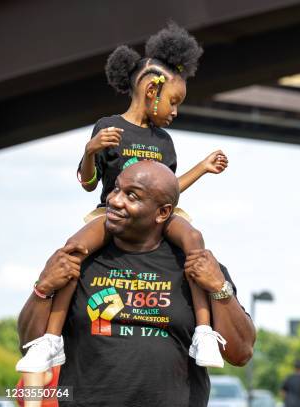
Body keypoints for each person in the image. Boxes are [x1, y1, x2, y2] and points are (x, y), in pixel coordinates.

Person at [16, 22, 228, 379]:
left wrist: (202, 168)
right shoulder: (108, 127)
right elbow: (88, 183)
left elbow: (168, 191)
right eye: (173, 101)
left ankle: (205, 332)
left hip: (156, 216)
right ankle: (50, 339)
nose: (175, 111)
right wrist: (90, 151)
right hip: (111, 213)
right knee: (73, 251)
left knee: (194, 240)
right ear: (151, 89)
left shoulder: (164, 142)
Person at [17, 161, 256, 406]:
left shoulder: (196, 265)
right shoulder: (79, 260)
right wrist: (42, 288)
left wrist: (219, 289)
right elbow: (28, 346)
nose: (115, 200)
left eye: (132, 196)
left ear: (162, 212)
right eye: (116, 189)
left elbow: (241, 353)